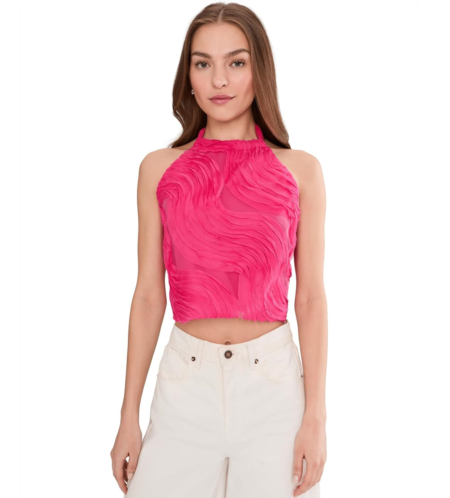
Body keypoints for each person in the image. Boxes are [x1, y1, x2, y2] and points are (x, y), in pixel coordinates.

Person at [110, 3, 328, 497]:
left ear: (259, 71)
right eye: (203, 63)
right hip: (185, 384)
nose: (219, 80)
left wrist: (315, 417)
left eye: (236, 62)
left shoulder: (300, 171)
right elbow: (148, 295)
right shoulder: (159, 169)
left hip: (274, 389)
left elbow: (311, 297)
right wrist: (128, 416)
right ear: (187, 76)